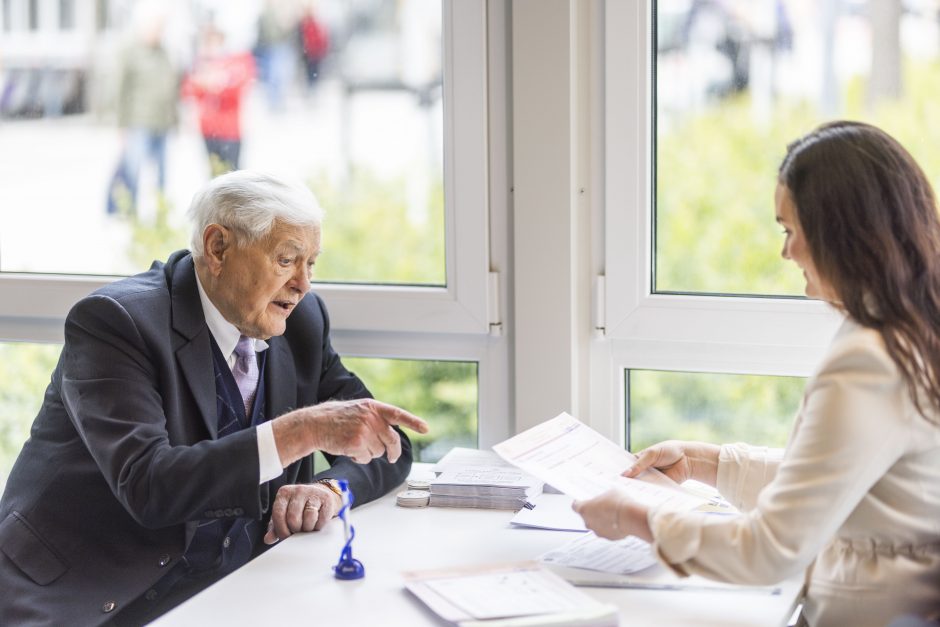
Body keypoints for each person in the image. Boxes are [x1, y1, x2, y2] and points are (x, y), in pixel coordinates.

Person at [0, 170, 429, 625]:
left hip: (232, 590)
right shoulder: (116, 323)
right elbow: (150, 486)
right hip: (89, 593)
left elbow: (389, 443)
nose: (303, 284)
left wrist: (329, 490)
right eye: (287, 260)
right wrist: (301, 431)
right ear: (218, 247)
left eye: (312, 263)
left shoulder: (301, 323)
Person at [573, 121, 940, 627]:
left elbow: (771, 549)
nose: (786, 252)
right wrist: (710, 463)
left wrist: (635, 518)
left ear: (839, 233)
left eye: (790, 231)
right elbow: (843, 477)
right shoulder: (911, 325)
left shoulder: (870, 359)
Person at [106, 4, 179, 216]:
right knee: (133, 171)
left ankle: (161, 215)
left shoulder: (164, 52)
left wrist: (176, 121)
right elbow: (120, 90)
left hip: (162, 123)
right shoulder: (130, 51)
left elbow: (171, 88)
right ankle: (130, 213)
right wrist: (121, 125)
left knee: (162, 174)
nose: (158, 31)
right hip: (139, 122)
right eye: (155, 27)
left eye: (161, 27)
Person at [182, 24, 256, 176]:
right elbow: (189, 89)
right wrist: (209, 83)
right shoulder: (201, 62)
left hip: (230, 129)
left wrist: (214, 83)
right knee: (214, 175)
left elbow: (237, 87)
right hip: (208, 128)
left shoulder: (237, 60)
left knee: (233, 175)